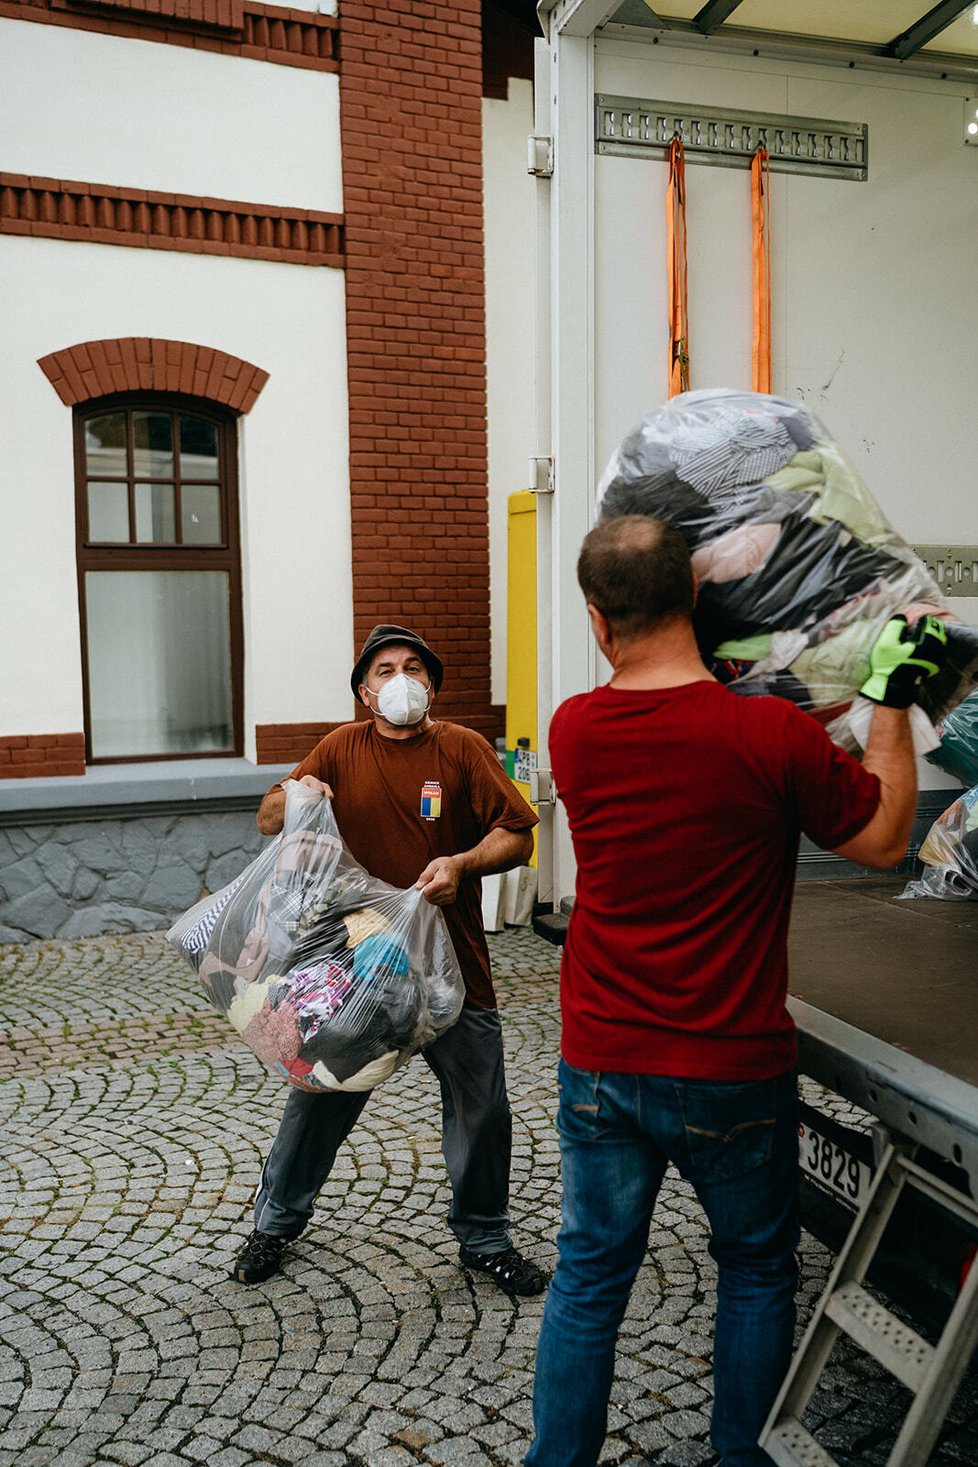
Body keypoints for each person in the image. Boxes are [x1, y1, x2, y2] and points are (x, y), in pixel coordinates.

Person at [525, 516, 948, 1467]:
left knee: (589, 1276)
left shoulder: (574, 728)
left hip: (602, 1058)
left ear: (597, 622)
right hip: (729, 1063)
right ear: (700, 601)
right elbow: (884, 841)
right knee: (756, 1270)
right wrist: (887, 693)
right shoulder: (769, 734)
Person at [233, 623, 547, 1298]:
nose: (398, 679)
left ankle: (485, 1238)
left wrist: (463, 862)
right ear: (363, 691)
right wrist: (299, 801)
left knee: (480, 1106)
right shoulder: (339, 748)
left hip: (452, 966)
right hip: (353, 966)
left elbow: (518, 836)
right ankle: (275, 1222)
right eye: (383, 670)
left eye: (412, 667)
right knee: (317, 1097)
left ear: (430, 684)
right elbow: (266, 817)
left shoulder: (461, 748)